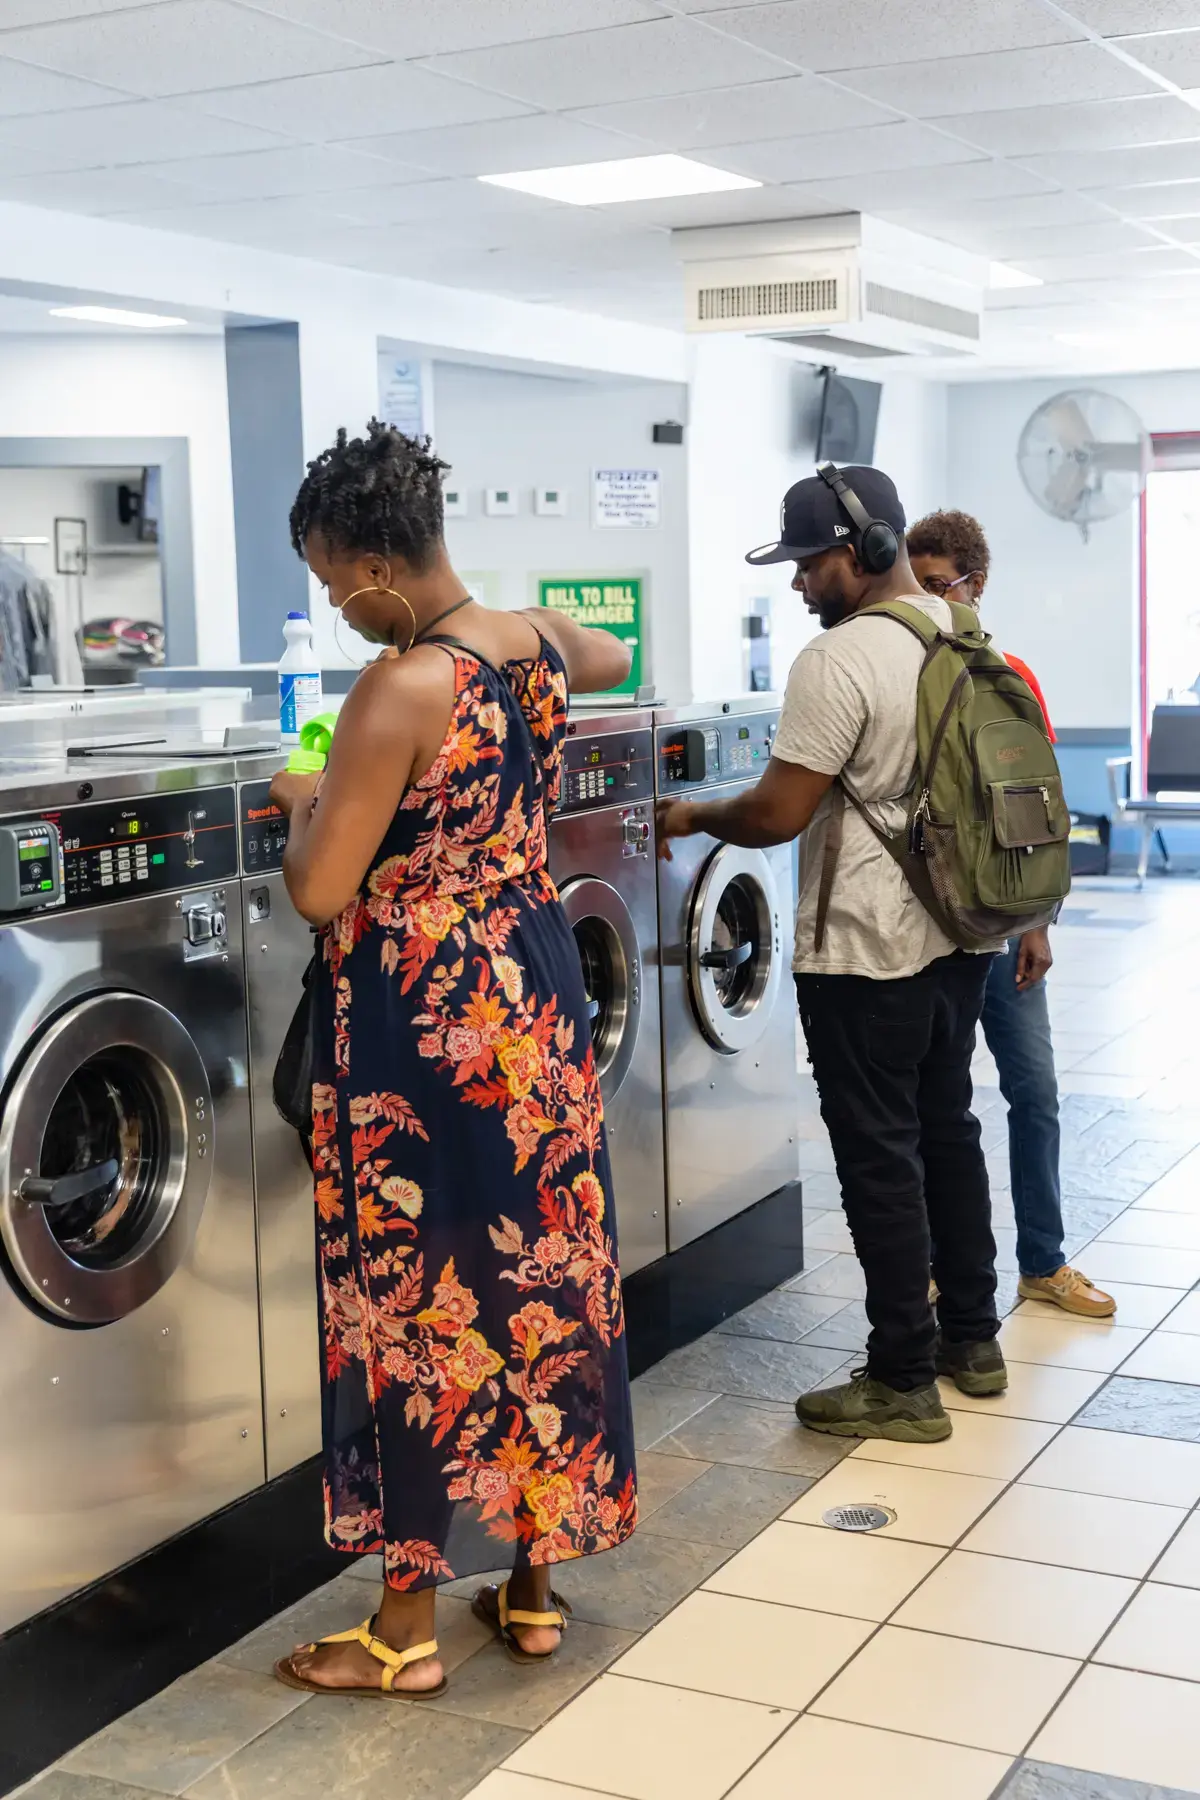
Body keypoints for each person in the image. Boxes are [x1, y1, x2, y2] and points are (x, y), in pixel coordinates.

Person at [269, 422, 638, 1700]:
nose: (338, 607)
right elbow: (610, 653)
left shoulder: (399, 689)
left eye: (335, 582)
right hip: (533, 994)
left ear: (376, 565)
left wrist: (302, 798)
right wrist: (524, 622)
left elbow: (321, 890)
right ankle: (531, 1594)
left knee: (418, 1298)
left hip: (422, 1025)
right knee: (539, 1277)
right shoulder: (532, 643)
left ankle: (404, 1630)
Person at [659, 465, 1004, 1444]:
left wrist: (693, 815)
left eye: (811, 562)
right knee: (947, 1132)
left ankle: (901, 1378)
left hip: (867, 948)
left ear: (864, 550)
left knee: (878, 1156)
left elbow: (777, 812)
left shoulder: (839, 658)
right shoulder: (962, 632)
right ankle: (971, 1341)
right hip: (960, 934)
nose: (800, 581)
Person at [907, 509, 1116, 1319]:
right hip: (929, 930)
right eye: (917, 587)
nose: (930, 602)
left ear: (976, 585)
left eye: (940, 586)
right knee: (939, 1105)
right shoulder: (901, 673)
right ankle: (938, 1267)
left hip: (1002, 927)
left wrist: (1038, 924)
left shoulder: (1008, 677)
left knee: (1036, 1090)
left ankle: (1044, 1262)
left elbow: (1036, 812)